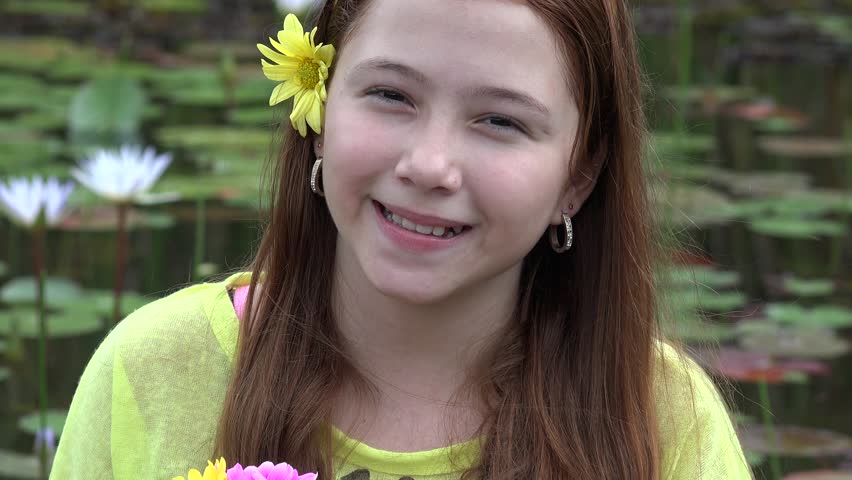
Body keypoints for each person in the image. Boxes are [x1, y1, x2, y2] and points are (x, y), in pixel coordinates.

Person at [52, 0, 753, 478]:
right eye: (391, 95)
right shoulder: (153, 372)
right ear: (319, 109)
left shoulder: (664, 423)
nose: (428, 165)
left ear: (580, 174)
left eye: (501, 122)